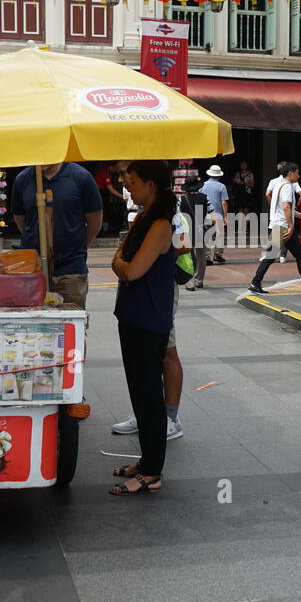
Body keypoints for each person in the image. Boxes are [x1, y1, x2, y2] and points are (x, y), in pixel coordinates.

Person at [110, 161, 178, 495]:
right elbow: (121, 258)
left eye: (134, 182)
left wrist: (119, 263)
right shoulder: (143, 218)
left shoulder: (161, 225)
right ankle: (146, 459)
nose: (129, 188)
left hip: (148, 319)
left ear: (151, 184)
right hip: (133, 316)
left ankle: (152, 471)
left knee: (150, 397)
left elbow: (131, 269)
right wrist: (120, 261)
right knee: (139, 392)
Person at [10, 161, 103, 308]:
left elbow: (95, 223)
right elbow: (20, 219)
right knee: (33, 323)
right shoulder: (23, 179)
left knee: (71, 321)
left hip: (70, 268)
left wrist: (77, 247)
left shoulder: (81, 177)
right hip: (33, 269)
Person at [249, 162, 301, 294]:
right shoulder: (287, 187)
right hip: (282, 227)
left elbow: (287, 209)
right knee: (272, 256)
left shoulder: (278, 184)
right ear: (290, 173)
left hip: (278, 225)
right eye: (297, 173)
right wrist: (291, 226)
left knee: (299, 254)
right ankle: (255, 282)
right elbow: (286, 207)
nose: (298, 176)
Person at [180, 175, 209, 290]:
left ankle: (190, 281)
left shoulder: (181, 199)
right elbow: (210, 214)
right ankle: (199, 280)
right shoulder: (205, 198)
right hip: (201, 229)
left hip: (187, 230)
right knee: (201, 256)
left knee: (189, 256)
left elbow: (178, 215)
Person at [201, 164, 230, 265]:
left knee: (208, 235)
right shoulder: (222, 186)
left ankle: (207, 257)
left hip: (206, 215)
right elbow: (224, 203)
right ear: (219, 175)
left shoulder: (203, 185)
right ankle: (218, 254)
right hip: (218, 215)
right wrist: (226, 216)